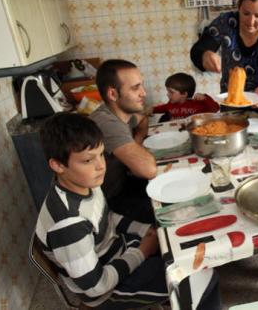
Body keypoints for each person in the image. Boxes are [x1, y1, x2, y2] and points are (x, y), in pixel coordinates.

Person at [35, 112, 168, 309]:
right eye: (88, 160)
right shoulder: (68, 224)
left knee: (170, 240)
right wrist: (142, 252)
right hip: (106, 293)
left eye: (101, 154)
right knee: (186, 277)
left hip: (118, 252)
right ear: (58, 165)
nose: (101, 166)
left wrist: (144, 230)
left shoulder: (86, 183)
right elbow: (95, 287)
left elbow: (107, 217)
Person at [190, 0, 258, 127]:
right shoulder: (225, 22)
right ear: (239, 6)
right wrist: (204, 54)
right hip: (231, 100)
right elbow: (198, 49)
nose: (251, 21)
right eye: (246, 13)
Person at [90, 59, 156, 223]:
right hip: (108, 202)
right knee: (168, 214)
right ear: (112, 94)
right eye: (135, 88)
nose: (144, 93)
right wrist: (136, 153)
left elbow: (143, 121)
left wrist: (136, 144)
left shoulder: (121, 113)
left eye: (141, 85)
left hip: (124, 183)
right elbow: (148, 170)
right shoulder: (106, 123)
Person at [152, 72, 219, 121]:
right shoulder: (171, 104)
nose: (167, 94)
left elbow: (215, 108)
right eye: (168, 91)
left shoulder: (197, 103)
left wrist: (205, 98)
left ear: (184, 94)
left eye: (171, 92)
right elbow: (163, 108)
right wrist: (152, 110)